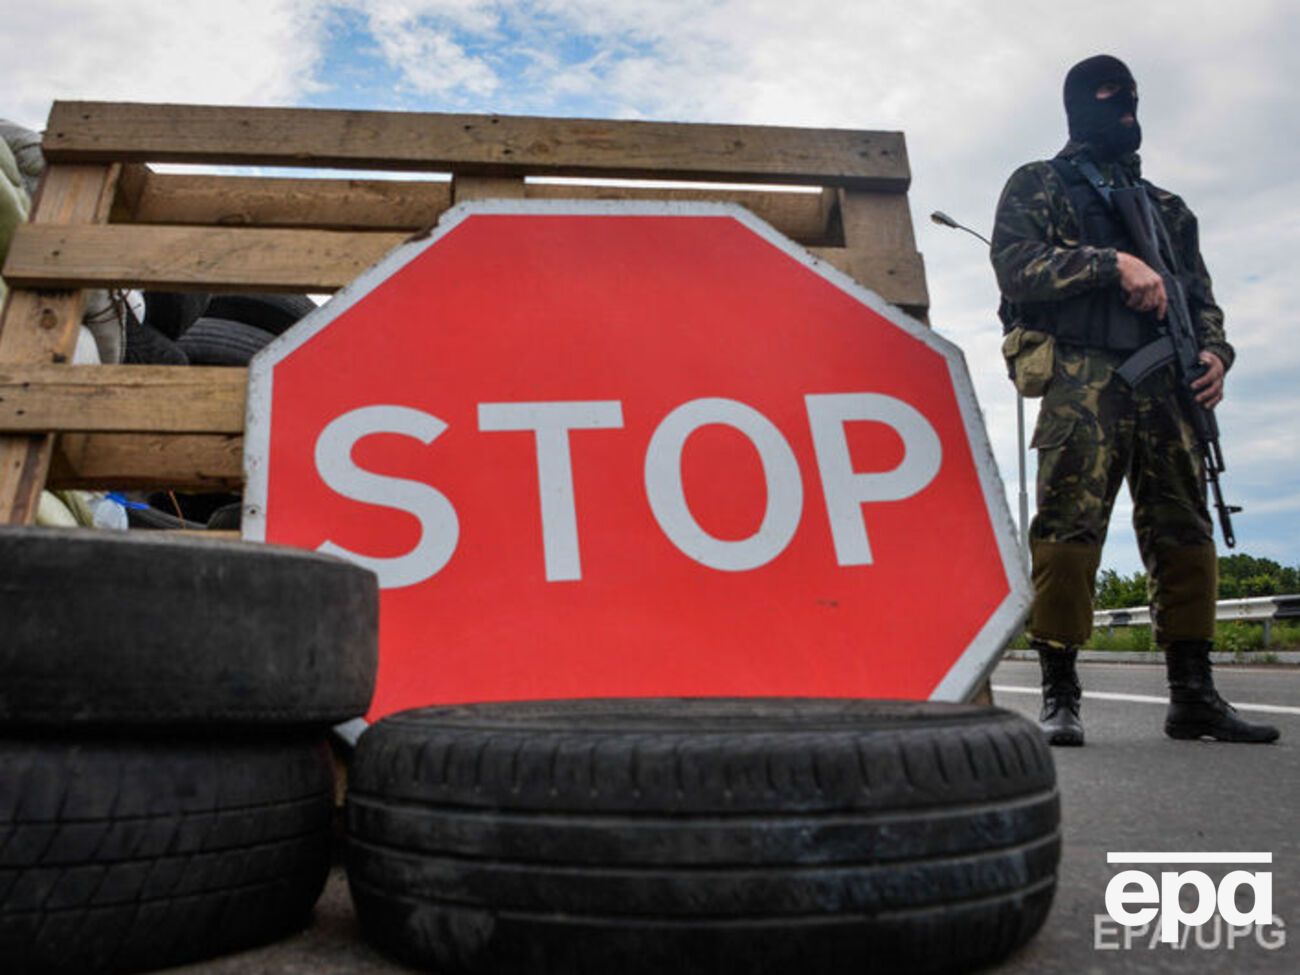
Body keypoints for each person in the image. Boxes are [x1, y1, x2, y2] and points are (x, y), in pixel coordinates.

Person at [990, 54, 1278, 747]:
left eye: (1133, 99)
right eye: (1110, 97)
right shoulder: (1041, 183)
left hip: (1170, 384)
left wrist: (1215, 355)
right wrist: (1110, 262)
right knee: (1069, 526)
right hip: (1083, 376)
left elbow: (1202, 300)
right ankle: (1060, 690)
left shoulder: (1169, 210)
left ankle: (1194, 694)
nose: (1126, 111)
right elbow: (1015, 265)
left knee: (1184, 529)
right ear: (1079, 107)